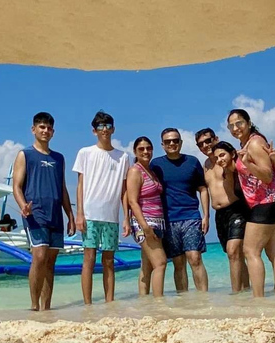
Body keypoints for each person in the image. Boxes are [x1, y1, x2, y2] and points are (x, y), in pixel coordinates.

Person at [12, 111, 75, 311]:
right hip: (34, 213)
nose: (45, 131)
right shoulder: (25, 154)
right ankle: (33, 306)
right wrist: (23, 205)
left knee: (50, 262)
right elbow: (16, 185)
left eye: (48, 128)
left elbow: (62, 187)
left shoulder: (59, 158)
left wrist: (70, 216)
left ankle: (46, 307)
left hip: (55, 214)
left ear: (53, 132)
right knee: (39, 257)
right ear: (34, 129)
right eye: (41, 127)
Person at [227, 108, 275, 297]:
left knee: (250, 251)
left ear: (248, 122)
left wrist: (247, 163)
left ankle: (258, 299)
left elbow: (267, 175)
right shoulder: (249, 142)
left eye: (239, 123)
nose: (235, 128)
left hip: (266, 203)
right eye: (231, 125)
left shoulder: (254, 143)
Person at [73, 111, 131, 304]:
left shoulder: (123, 157)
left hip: (111, 217)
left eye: (107, 126)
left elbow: (124, 190)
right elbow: (80, 185)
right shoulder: (85, 153)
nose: (104, 130)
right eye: (100, 126)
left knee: (108, 261)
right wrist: (79, 214)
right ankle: (87, 304)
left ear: (113, 129)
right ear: (94, 130)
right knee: (88, 259)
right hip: (90, 214)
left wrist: (126, 218)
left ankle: (109, 303)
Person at [150, 128, 209, 292]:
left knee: (195, 258)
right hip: (168, 220)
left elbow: (203, 189)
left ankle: (203, 299)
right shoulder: (156, 165)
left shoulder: (192, 162)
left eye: (175, 140)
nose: (172, 144)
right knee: (178, 263)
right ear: (162, 145)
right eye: (168, 141)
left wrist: (206, 216)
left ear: (181, 142)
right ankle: (184, 302)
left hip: (191, 216)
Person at [196, 129, 249, 293]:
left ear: (216, 139)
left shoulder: (227, 160)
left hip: (236, 209)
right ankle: (246, 290)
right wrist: (206, 216)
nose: (205, 145)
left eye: (208, 140)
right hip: (220, 215)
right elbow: (204, 190)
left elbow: (244, 171)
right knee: (234, 255)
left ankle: (235, 294)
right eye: (201, 144)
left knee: (234, 252)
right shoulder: (205, 165)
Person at [126, 136, 167, 297]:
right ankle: (159, 303)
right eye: (141, 149)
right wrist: (145, 226)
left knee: (147, 266)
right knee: (161, 263)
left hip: (157, 222)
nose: (146, 151)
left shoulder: (151, 171)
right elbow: (132, 201)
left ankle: (145, 303)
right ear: (135, 151)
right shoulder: (135, 171)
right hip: (145, 223)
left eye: (148, 148)